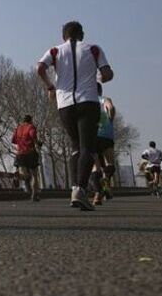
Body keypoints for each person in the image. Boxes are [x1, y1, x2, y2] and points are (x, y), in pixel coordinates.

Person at [36, 20, 113, 211]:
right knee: (88, 147)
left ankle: (74, 188)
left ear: (64, 36)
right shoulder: (93, 49)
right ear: (82, 34)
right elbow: (107, 73)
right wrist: (102, 77)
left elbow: (40, 68)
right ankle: (79, 190)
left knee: (75, 147)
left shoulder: (54, 51)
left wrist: (50, 86)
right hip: (88, 101)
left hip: (65, 104)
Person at [93, 89, 116, 204]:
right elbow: (111, 108)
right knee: (110, 164)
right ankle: (106, 180)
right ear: (100, 90)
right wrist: (110, 119)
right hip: (106, 136)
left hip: (92, 136)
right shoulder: (105, 99)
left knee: (96, 168)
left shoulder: (87, 101)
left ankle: (98, 195)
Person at [12, 115, 40, 201]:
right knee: (34, 175)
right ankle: (34, 195)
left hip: (20, 153)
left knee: (24, 175)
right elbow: (33, 136)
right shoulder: (31, 127)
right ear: (30, 120)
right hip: (30, 153)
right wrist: (38, 143)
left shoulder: (18, 128)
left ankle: (17, 176)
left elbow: (13, 140)